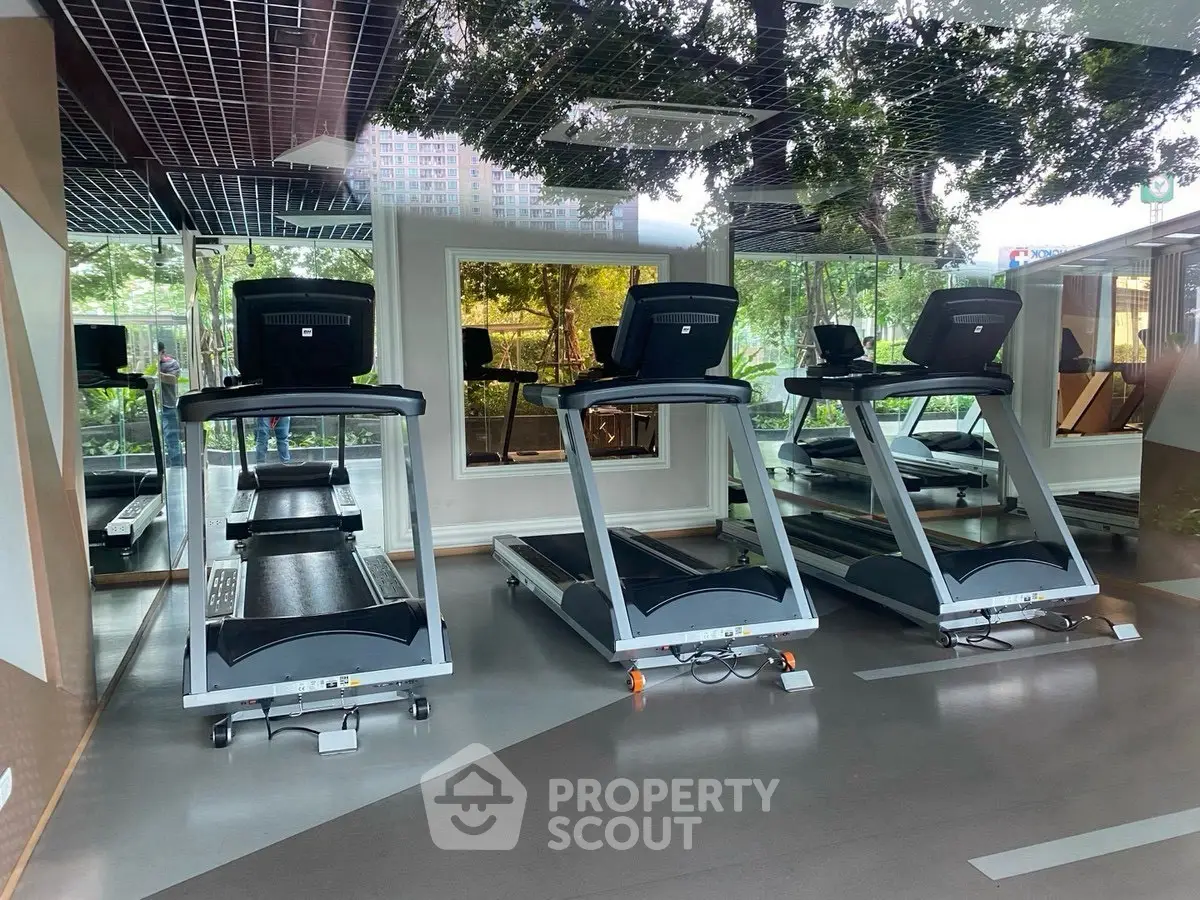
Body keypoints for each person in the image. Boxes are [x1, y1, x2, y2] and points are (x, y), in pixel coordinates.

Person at [156, 342, 184, 467]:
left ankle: (177, 465)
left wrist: (158, 374)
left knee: (171, 437)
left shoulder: (172, 363)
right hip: (155, 407)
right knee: (161, 438)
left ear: (162, 352)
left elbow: (173, 379)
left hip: (168, 405)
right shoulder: (148, 364)